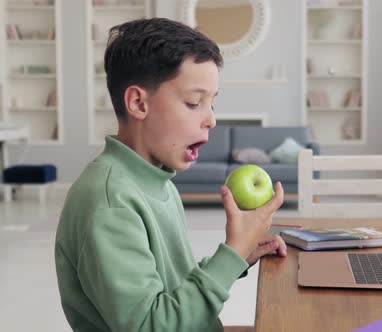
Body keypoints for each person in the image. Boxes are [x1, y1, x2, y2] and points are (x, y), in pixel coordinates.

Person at [54, 18, 286, 331]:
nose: (211, 121)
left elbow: (173, 290)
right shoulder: (110, 203)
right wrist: (233, 251)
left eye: (212, 104)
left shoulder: (156, 180)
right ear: (138, 103)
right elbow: (152, 325)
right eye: (194, 102)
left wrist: (239, 256)